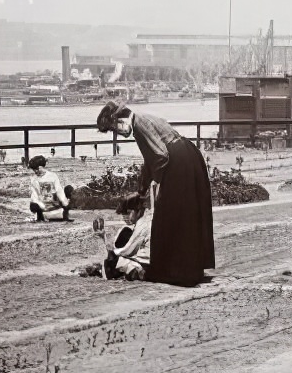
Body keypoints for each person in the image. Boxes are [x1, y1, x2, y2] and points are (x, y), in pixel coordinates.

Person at [96, 101, 215, 287]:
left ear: (119, 120)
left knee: (167, 215)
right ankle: (190, 266)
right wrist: (142, 189)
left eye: (114, 130)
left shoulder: (138, 123)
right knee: (185, 215)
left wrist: (157, 184)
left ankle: (176, 269)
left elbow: (160, 156)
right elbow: (150, 161)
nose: (118, 134)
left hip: (177, 162)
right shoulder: (140, 122)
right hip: (185, 157)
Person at [100, 193, 151, 280]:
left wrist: (112, 253)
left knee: (111, 261)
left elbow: (128, 251)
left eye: (128, 213)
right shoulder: (145, 221)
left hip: (149, 265)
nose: (126, 217)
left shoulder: (142, 224)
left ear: (139, 210)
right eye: (124, 214)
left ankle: (136, 273)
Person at [28, 155, 74, 222]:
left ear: (42, 167)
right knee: (33, 205)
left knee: (68, 189)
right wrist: (41, 205)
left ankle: (65, 215)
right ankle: (40, 217)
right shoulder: (34, 179)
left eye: (37, 169)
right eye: (34, 170)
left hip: (55, 203)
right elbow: (34, 196)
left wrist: (65, 203)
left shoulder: (52, 176)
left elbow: (59, 190)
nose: (35, 171)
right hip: (43, 205)